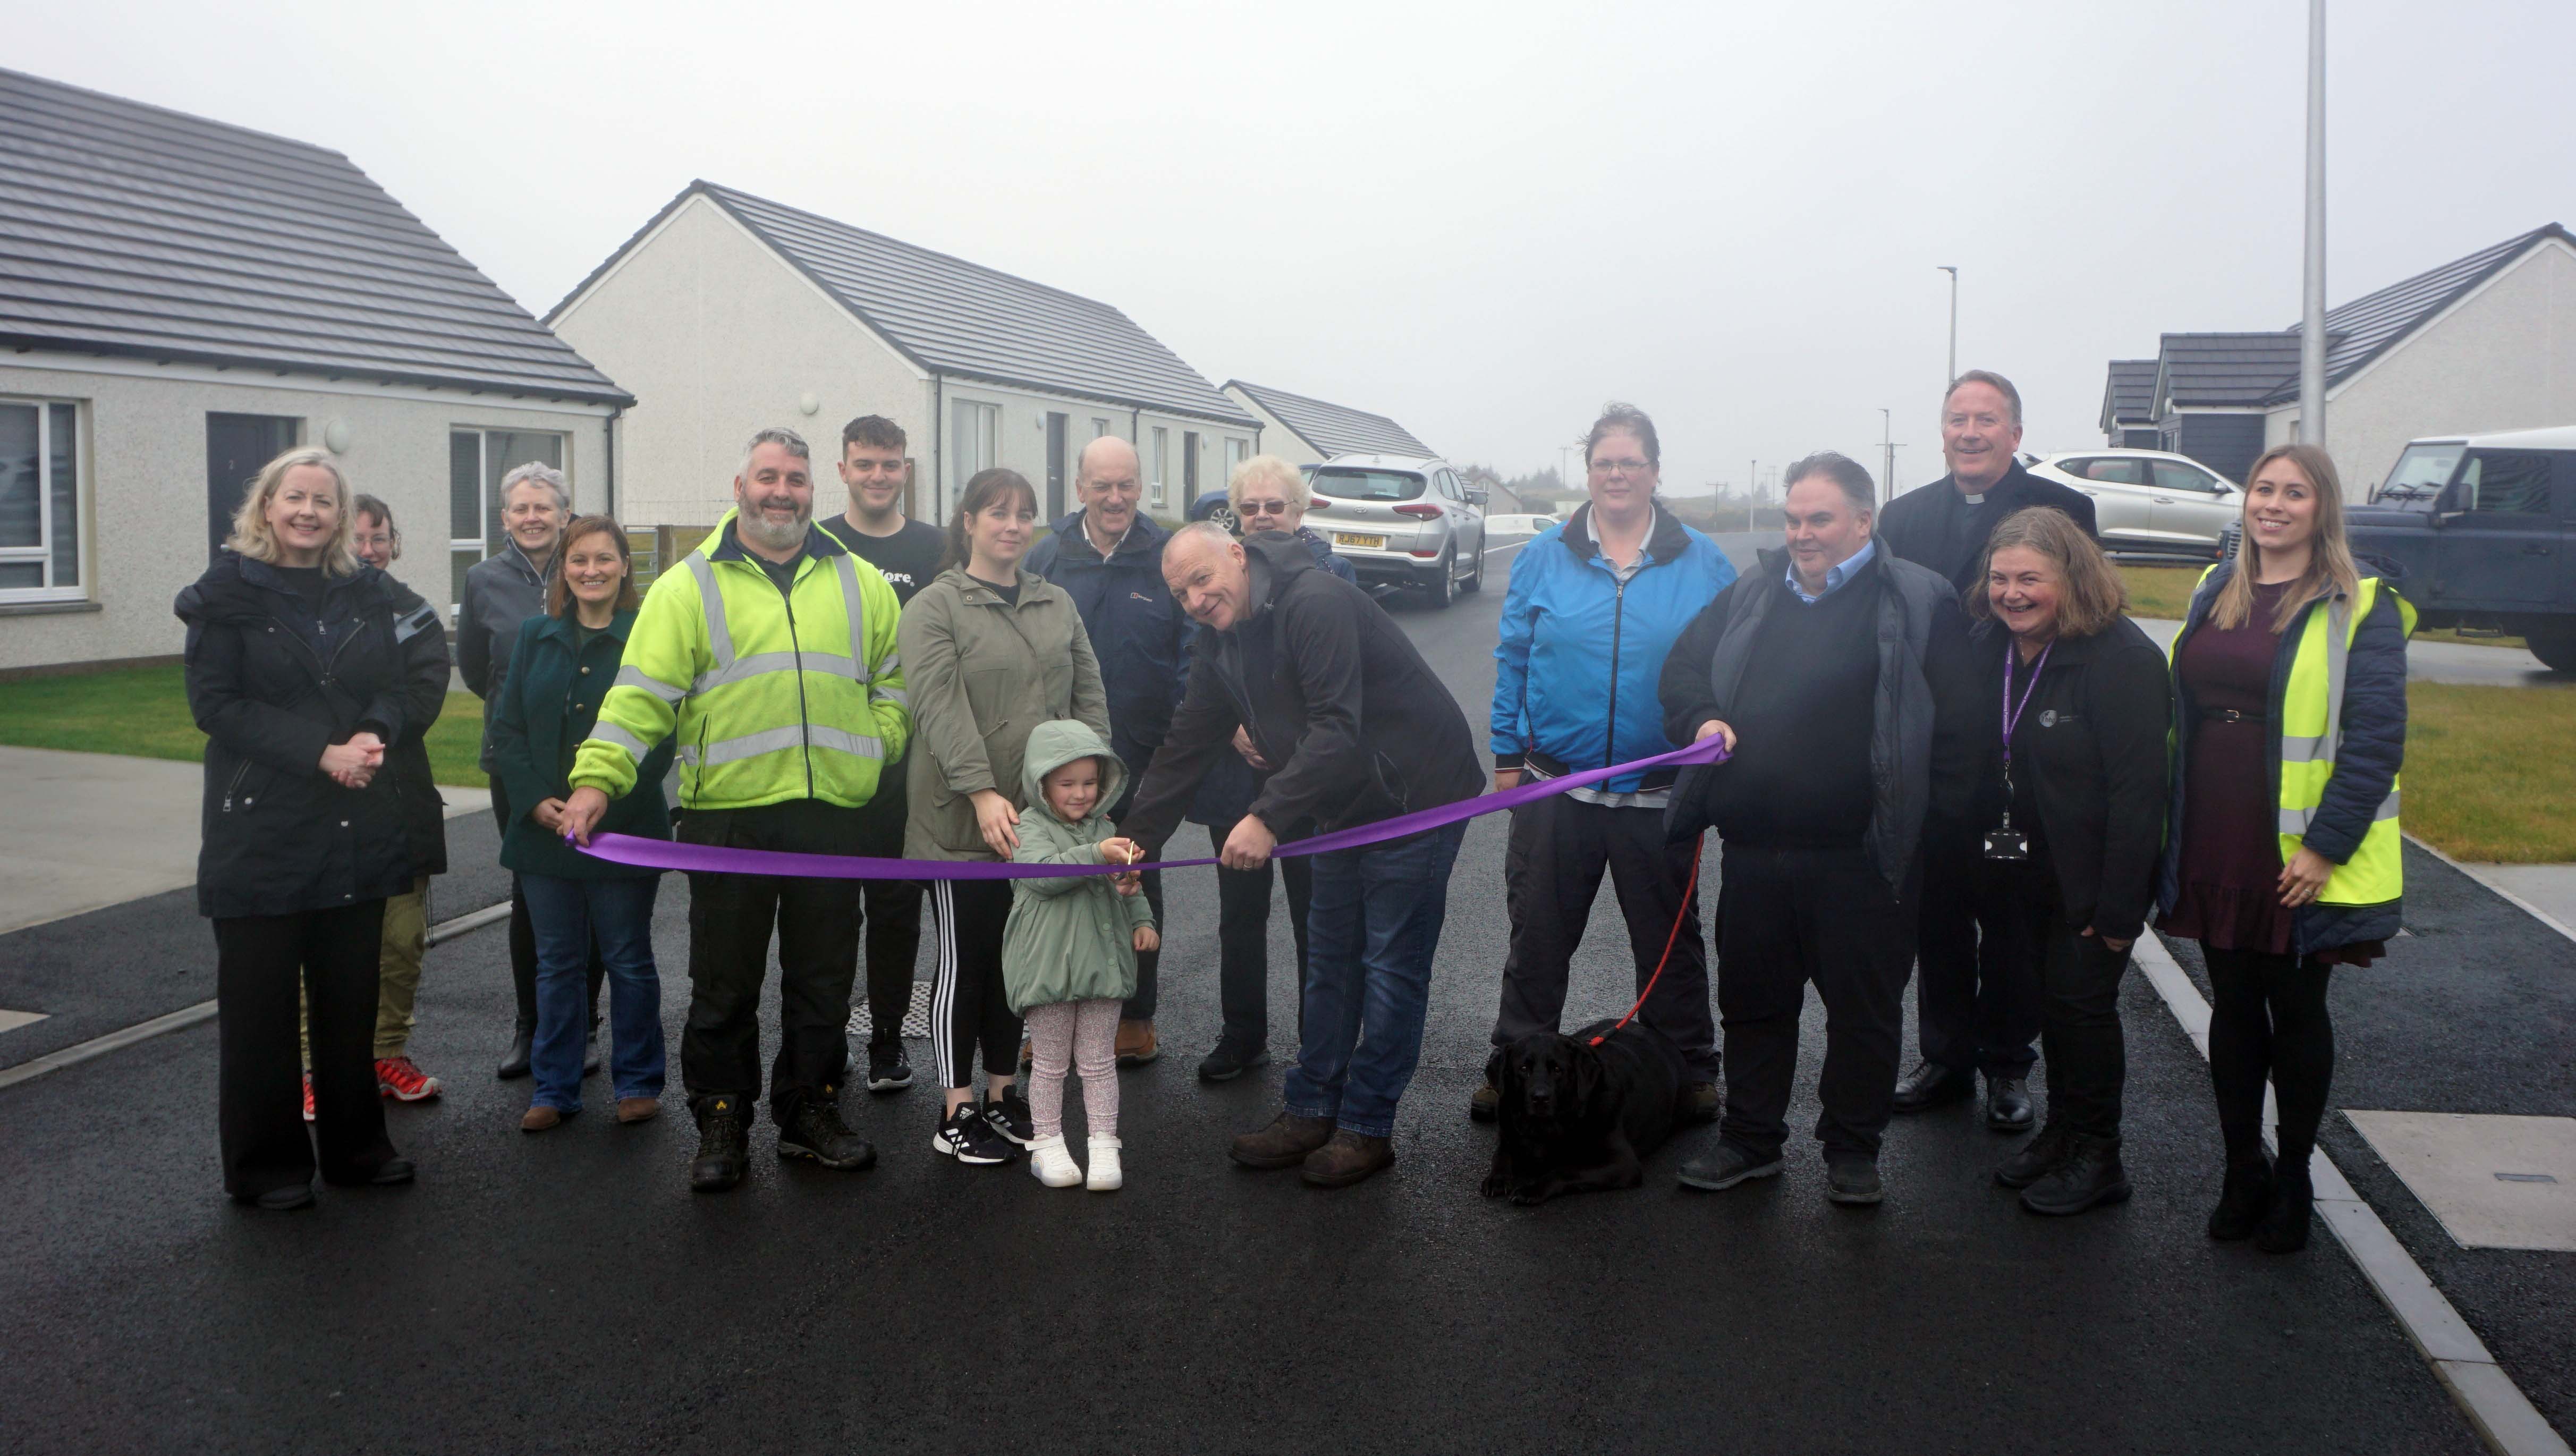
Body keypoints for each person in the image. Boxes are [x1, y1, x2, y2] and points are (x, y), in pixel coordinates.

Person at [561, 427, 909, 1192]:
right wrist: (596, 783)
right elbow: (640, 698)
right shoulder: (688, 587)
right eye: (767, 477)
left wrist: (878, 745)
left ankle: (811, 1111)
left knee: (823, 980)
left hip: (832, 816)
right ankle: (722, 1118)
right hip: (728, 821)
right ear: (739, 486)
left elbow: (894, 680)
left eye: (795, 478)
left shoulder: (861, 581)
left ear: (814, 489)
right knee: (725, 983)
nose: (781, 491)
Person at [1122, 523, 1485, 1189]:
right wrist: (1134, 843)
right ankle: (1312, 1107)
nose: (1197, 600)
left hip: (1415, 795)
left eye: (1202, 580)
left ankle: (1368, 1126)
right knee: (1329, 960)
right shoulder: (1219, 641)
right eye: (1181, 593)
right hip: (1341, 806)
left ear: (1236, 554)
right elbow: (1185, 744)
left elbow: (1336, 725)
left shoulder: (1313, 600)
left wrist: (1265, 816)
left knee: (1388, 966)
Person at [1658, 452, 1977, 1206]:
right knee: (1754, 1008)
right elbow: (1683, 670)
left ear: (1864, 521)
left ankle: (1853, 1150)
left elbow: (1960, 734)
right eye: (1793, 519)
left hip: (1865, 861)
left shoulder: (1920, 601)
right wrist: (1702, 716)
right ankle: (1751, 1141)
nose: (1802, 534)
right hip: (1758, 856)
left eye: (1820, 519)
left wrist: (1930, 835)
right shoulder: (1754, 592)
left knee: (1864, 1016)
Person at [2156, 443, 2410, 1255]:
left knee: (2296, 1011)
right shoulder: (2214, 588)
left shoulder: (2357, 604)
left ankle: (2295, 1177)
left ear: (2321, 508)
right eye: (2263, 489)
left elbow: (2376, 739)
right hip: (2213, 829)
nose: (2273, 504)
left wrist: (2326, 847)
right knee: (2231, 1008)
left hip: (2297, 849)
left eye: (2294, 492)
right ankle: (2243, 1170)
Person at [176, 447, 444, 1209]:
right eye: (294, 498)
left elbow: (395, 685)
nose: (308, 512)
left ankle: (358, 1151)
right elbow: (217, 706)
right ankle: (267, 1169)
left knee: (348, 1001)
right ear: (266, 506)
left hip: (355, 820)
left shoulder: (363, 592)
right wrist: (319, 753)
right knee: (260, 1012)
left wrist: (371, 735)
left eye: (324, 502)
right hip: (261, 827)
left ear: (340, 516)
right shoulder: (223, 594)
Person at [1479, 404, 1736, 1124]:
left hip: (1660, 792)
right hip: (1555, 785)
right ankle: (1511, 1066)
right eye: (1603, 462)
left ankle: (1688, 1069)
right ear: (1587, 472)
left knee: (1669, 945)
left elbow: (1726, 669)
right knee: (1538, 936)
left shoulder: (1705, 561)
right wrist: (1507, 753)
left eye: (1630, 462)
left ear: (1655, 471)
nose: (1616, 474)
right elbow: (1514, 658)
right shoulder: (1543, 556)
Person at [1880, 370, 2098, 1130]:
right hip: (1936, 759)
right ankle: (1944, 1055)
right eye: (1957, 419)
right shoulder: (1902, 517)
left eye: (1987, 419)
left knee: (2013, 924)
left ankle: (2008, 1062)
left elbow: (2087, 626)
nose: (1969, 433)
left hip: (2021, 758)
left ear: (2016, 432)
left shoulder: (2064, 511)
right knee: (1936, 918)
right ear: (1942, 430)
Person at [1962, 509, 2172, 1214]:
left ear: (2072, 579)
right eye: (2000, 578)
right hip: (2023, 875)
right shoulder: (1995, 646)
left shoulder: (2123, 660)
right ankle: (2062, 1136)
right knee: (2053, 1010)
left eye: (2030, 579)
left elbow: (2140, 796)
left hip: (2091, 884)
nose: (2012, 593)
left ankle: (2100, 1155)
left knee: (2083, 1013)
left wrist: (2119, 913)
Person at [900, 467, 1109, 1166]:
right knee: (966, 961)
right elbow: (938, 707)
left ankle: (1000, 1091)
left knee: (1016, 960)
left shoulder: (1058, 604)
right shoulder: (936, 607)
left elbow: (1088, 699)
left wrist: (1089, 790)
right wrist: (983, 793)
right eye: (998, 512)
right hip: (958, 826)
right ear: (969, 521)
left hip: (1039, 829)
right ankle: (955, 1108)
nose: (1013, 525)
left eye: (1025, 514)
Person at [487, 515, 674, 1132]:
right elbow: (506, 732)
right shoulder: (535, 636)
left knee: (626, 957)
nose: (590, 570)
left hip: (621, 830)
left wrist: (598, 802)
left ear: (626, 565)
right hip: (542, 833)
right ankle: (555, 1086)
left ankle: (639, 1081)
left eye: (603, 558)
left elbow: (659, 740)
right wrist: (537, 800)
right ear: (563, 570)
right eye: (578, 560)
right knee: (557, 963)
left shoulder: (648, 638)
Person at [1180, 454, 1355, 1082]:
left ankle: (1320, 1042)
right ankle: (1243, 1033)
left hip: (1309, 780)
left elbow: (1340, 685)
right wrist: (1232, 726)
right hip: (1235, 776)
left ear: (1299, 511)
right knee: (1240, 915)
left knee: (1319, 916)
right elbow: (1193, 663)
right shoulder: (1215, 575)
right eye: (1249, 507)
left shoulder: (1331, 574)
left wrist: (1288, 734)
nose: (1261, 517)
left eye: (1273, 506)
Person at [1022, 436, 1192, 1066]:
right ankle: (1050, 1020)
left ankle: (1135, 1018)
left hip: (1143, 757)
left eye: (1127, 485)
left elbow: (1188, 654)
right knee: (1053, 889)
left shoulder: (1164, 556)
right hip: (1059, 764)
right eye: (1103, 485)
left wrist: (1176, 740)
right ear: (1080, 487)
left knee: (1134, 880)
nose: (1116, 497)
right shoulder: (1048, 554)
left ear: (1141, 486)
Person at [292, 494, 447, 1118]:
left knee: (400, 941)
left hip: (398, 797)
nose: (366, 549)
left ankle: (386, 1051)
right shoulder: (298, 612)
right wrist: (329, 748)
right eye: (353, 537)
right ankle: (315, 1068)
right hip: (317, 800)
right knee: (320, 941)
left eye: (377, 537)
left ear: (394, 542)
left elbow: (423, 696)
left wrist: (364, 739)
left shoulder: (415, 615)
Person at [814, 414, 947, 1095]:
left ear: (905, 470)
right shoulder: (819, 543)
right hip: (837, 763)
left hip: (913, 764)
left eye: (889, 464)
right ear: (843, 469)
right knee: (831, 911)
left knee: (897, 908)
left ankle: (889, 1039)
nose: (877, 476)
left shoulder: (934, 547)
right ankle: (827, 1035)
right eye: (864, 463)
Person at [457, 461, 601, 1081]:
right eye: (521, 508)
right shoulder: (483, 579)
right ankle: (531, 1026)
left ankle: (585, 1029)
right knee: (531, 893)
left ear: (565, 514)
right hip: (516, 764)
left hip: (592, 762)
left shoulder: (590, 566)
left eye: (544, 507)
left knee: (593, 892)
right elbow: (474, 670)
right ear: (505, 517)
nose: (533, 517)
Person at [1004, 721, 1159, 1191]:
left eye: (1090, 783)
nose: (1081, 794)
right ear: (1041, 783)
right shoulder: (1027, 826)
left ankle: (1103, 1144)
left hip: (1102, 964)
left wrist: (1142, 918)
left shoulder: (1107, 829)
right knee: (1050, 1063)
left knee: (1098, 1062)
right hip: (1048, 967)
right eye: (1067, 783)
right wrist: (1098, 853)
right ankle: (1047, 1145)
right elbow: (1043, 876)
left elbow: (1127, 885)